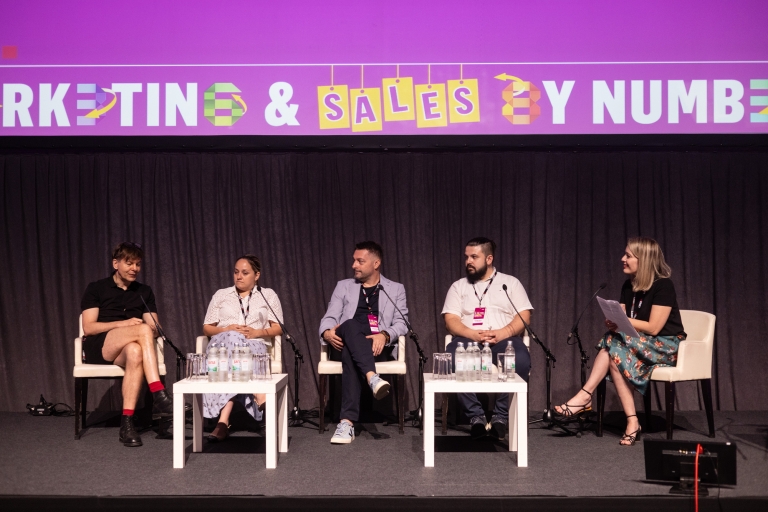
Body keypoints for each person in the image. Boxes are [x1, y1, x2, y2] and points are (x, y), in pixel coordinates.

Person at [554, 236, 686, 446]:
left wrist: (623, 322)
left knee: (612, 344)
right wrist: (613, 322)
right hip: (639, 341)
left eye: (628, 256)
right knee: (613, 347)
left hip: (665, 345)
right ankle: (632, 422)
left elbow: (654, 327)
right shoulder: (628, 285)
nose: (622, 259)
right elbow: (624, 319)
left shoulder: (663, 286)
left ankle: (585, 395)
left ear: (643, 259)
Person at [80, 242, 173, 447]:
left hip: (127, 347)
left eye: (138, 264)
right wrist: (123, 324)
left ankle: (127, 424)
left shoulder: (144, 291)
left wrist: (152, 329)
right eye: (129, 263)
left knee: (135, 351)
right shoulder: (96, 288)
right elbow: (89, 328)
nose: (134, 268)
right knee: (142, 331)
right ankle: (158, 393)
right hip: (100, 345)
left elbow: (155, 327)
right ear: (116, 263)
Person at [442, 237, 533, 440]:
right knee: (453, 357)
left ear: (489, 259)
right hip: (469, 339)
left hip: (504, 339)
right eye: (466, 257)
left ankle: (501, 416)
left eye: (474, 257)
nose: (468, 261)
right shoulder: (458, 286)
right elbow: (451, 320)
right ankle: (476, 417)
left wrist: (504, 332)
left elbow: (524, 316)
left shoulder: (510, 283)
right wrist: (472, 333)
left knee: (520, 358)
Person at [319, 241, 409, 444]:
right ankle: (372, 377)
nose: (354, 265)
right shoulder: (344, 286)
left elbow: (402, 323)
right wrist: (326, 333)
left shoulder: (395, 289)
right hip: (344, 338)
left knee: (351, 353)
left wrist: (384, 335)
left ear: (376, 263)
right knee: (351, 324)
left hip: (376, 345)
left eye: (360, 261)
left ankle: (346, 423)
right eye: (354, 261)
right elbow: (330, 317)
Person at [201, 255, 283, 442]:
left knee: (235, 356)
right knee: (232, 340)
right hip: (222, 345)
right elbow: (207, 328)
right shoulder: (221, 295)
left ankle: (222, 422)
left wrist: (257, 332)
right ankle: (258, 394)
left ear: (257, 275)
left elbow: (278, 327)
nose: (239, 276)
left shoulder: (267, 295)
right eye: (236, 272)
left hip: (253, 345)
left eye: (245, 273)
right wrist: (226, 329)